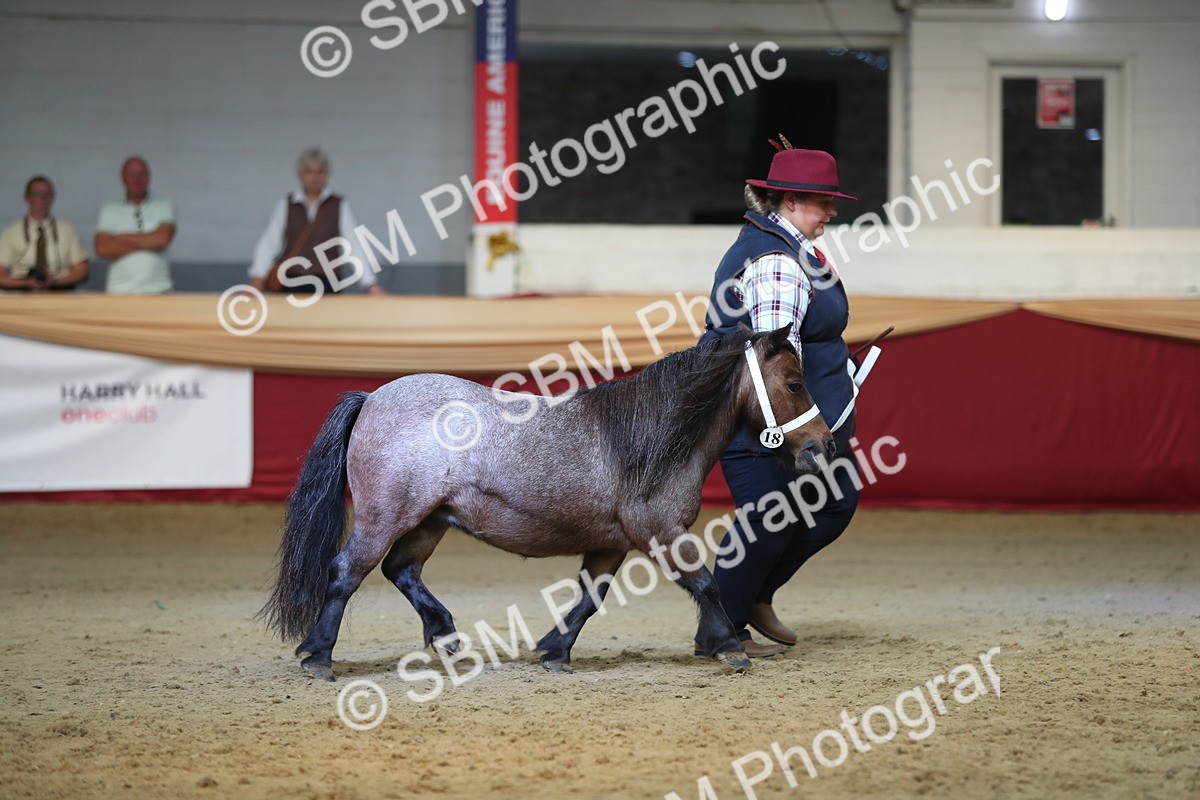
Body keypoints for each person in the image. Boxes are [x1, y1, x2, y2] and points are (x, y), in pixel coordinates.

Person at [698, 139, 860, 658]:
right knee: (768, 520)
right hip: (766, 421)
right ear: (791, 201)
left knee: (835, 503)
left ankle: (754, 596)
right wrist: (794, 431)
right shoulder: (777, 261)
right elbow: (774, 360)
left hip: (795, 416)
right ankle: (721, 630)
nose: (831, 211)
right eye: (823, 202)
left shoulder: (790, 248)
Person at [248, 148, 386, 295]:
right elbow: (270, 242)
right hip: (293, 281)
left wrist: (370, 283)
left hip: (328, 283)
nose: (315, 178)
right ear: (300, 174)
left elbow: (354, 245)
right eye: (309, 172)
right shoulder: (287, 204)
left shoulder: (339, 204)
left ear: (327, 174)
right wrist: (258, 278)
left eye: (320, 172)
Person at [94, 156, 176, 293]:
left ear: (149, 177)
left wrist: (121, 238)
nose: (138, 179)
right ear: (123, 178)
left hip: (159, 289)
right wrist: (149, 242)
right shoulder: (110, 209)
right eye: (132, 174)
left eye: (142, 174)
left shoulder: (164, 205)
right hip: (119, 291)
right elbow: (102, 249)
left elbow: (162, 239)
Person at [0, 176, 89, 291]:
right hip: (21, 293)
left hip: (60, 292)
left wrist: (55, 282)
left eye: (48, 195)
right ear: (27, 198)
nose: (43, 199)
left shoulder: (68, 230)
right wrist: (26, 283)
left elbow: (82, 272)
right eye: (37, 194)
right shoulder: (11, 233)